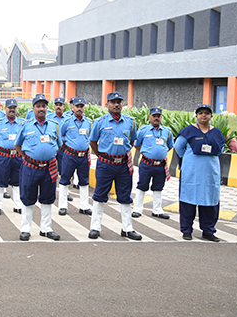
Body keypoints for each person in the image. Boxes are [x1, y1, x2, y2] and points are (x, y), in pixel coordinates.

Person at [89, 92, 141, 240]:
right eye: (113, 102)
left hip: (123, 165)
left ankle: (127, 228)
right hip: (105, 164)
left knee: (125, 196)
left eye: (119, 102)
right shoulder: (100, 122)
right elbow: (93, 142)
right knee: (99, 195)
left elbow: (131, 141)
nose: (116, 104)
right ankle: (95, 227)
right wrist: (103, 155)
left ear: (122, 104)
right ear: (107, 104)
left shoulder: (130, 122)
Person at [174, 104, 226, 242]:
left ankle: (208, 231)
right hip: (191, 173)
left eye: (207, 113)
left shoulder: (216, 132)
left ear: (211, 116)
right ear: (196, 116)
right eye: (201, 113)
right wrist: (188, 159)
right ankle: (187, 230)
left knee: (210, 201)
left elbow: (220, 150)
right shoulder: (189, 130)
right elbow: (178, 146)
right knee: (188, 201)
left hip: (210, 173)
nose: (204, 115)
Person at [14, 94, 63, 241]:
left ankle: (46, 229)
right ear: (33, 108)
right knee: (28, 197)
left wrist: (48, 155)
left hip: (49, 168)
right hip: (31, 168)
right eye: (38, 106)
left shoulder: (54, 125)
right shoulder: (26, 125)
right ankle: (25, 229)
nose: (41, 109)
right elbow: (17, 145)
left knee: (48, 198)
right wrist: (28, 157)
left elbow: (59, 145)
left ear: (47, 108)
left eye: (43, 106)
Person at [132, 107, 174, 220]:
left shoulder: (167, 131)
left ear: (161, 118)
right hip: (146, 164)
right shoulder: (143, 130)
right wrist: (147, 153)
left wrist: (159, 154)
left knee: (158, 187)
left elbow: (170, 146)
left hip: (160, 165)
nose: (156, 118)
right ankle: (137, 209)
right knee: (142, 185)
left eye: (158, 116)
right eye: (154, 116)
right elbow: (136, 144)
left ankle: (157, 210)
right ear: (149, 117)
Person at [58, 97, 93, 216]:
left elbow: (92, 138)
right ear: (73, 108)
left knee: (84, 181)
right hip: (70, 155)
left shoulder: (89, 122)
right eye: (77, 106)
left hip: (84, 156)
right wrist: (67, 148)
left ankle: (84, 206)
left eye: (81, 106)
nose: (79, 108)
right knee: (65, 179)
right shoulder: (66, 122)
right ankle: (63, 206)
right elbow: (60, 138)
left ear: (84, 108)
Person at [0, 98, 24, 215]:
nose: (12, 110)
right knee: (0, 181)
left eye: (14, 108)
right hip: (2, 156)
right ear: (5, 109)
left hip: (17, 157)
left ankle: (18, 205)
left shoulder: (22, 124)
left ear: (16, 109)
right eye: (9, 108)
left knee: (17, 181)